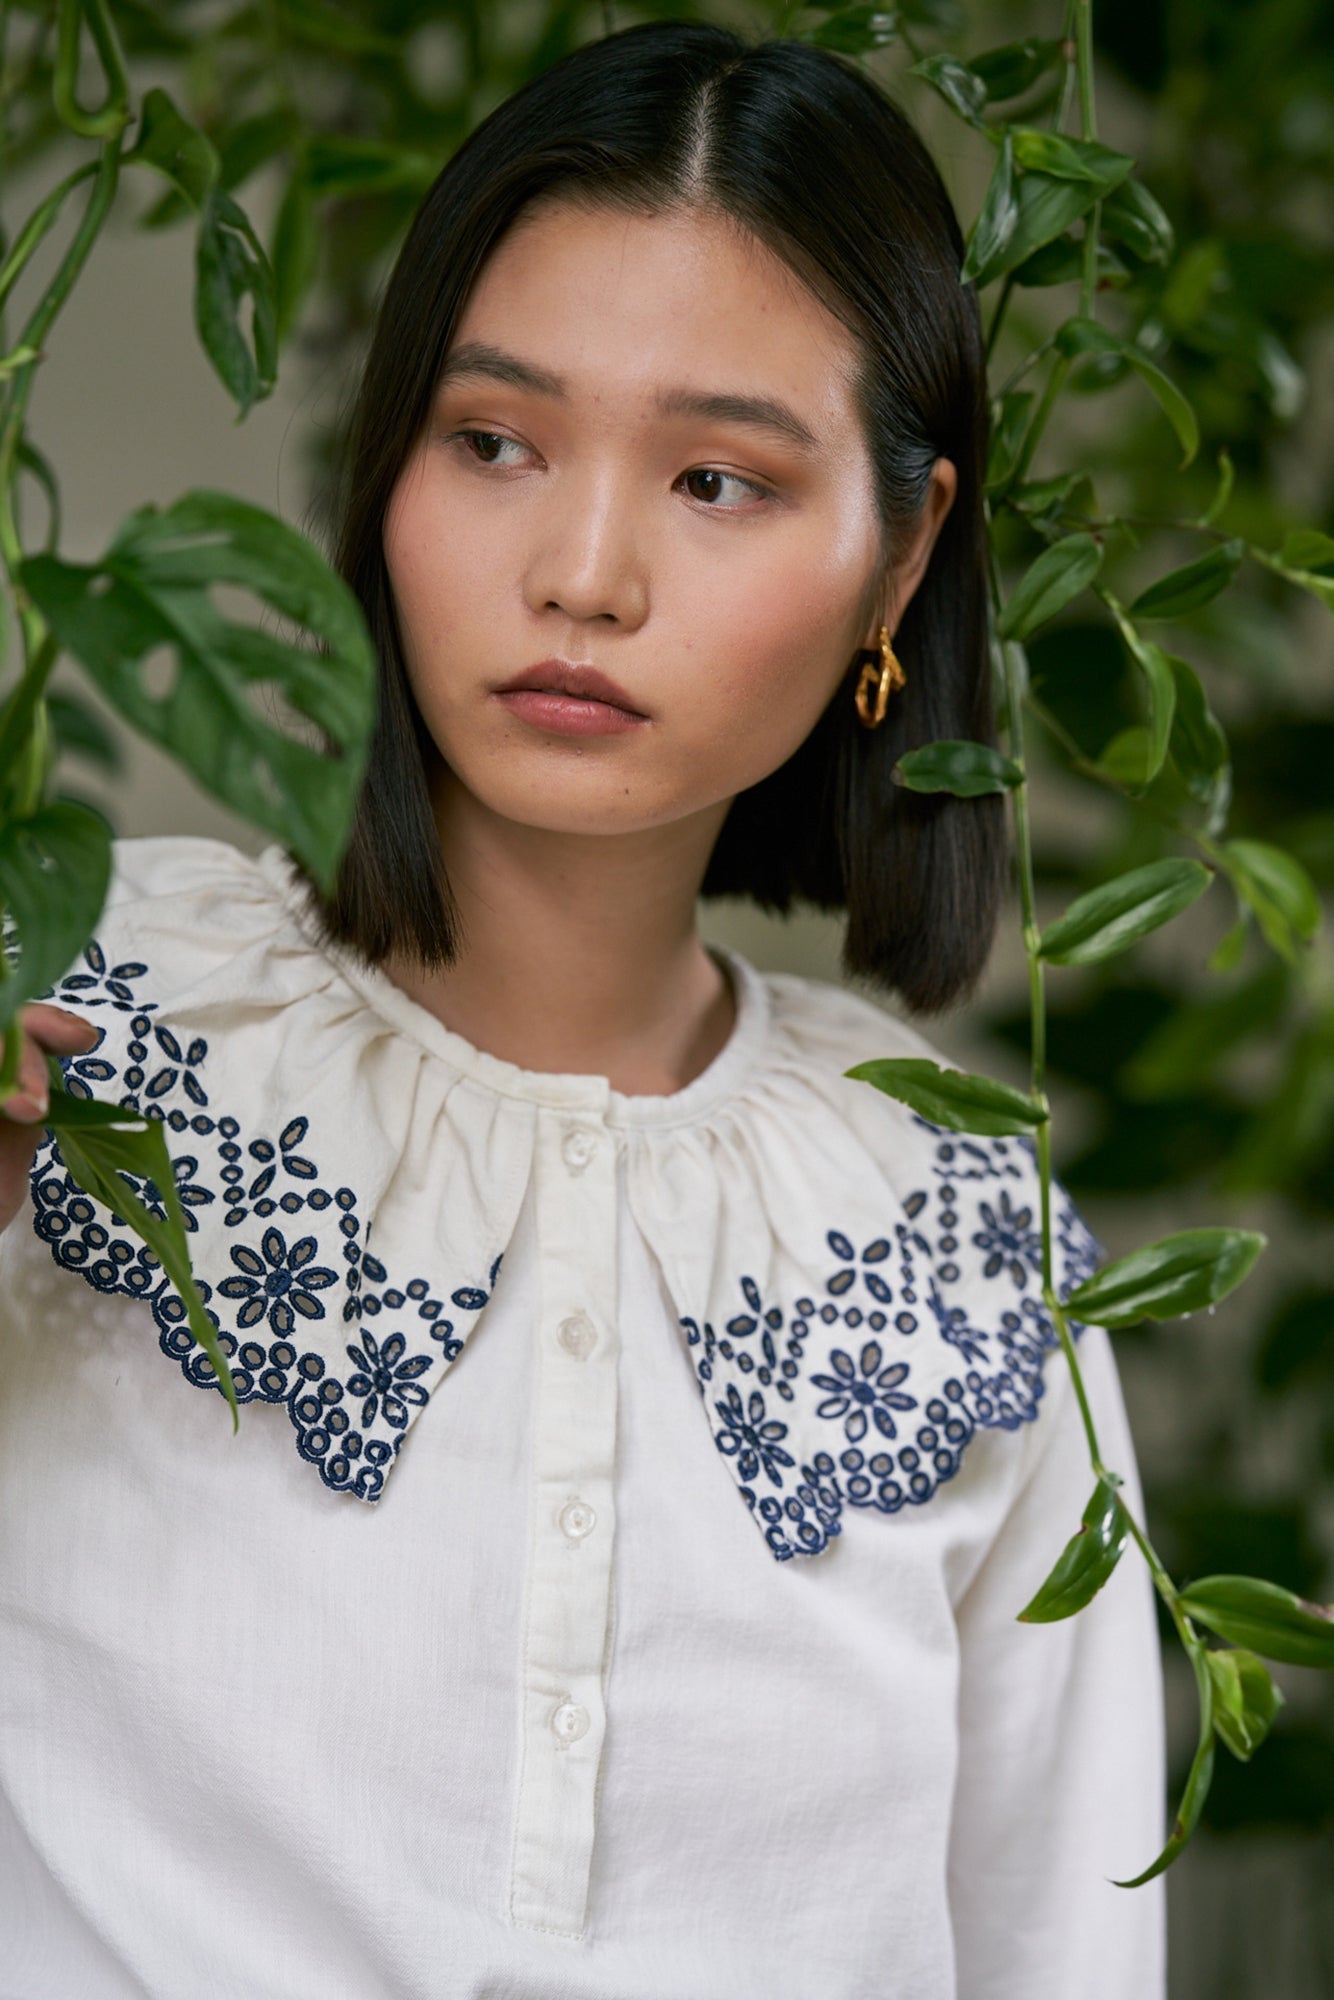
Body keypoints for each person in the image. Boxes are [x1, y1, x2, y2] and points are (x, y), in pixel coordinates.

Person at [0, 20, 1167, 1999]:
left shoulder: (952, 1226)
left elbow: (1062, 1944)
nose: (582, 569)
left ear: (897, 559)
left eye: (718, 476)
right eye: (494, 441)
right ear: (386, 469)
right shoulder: (80, 1025)